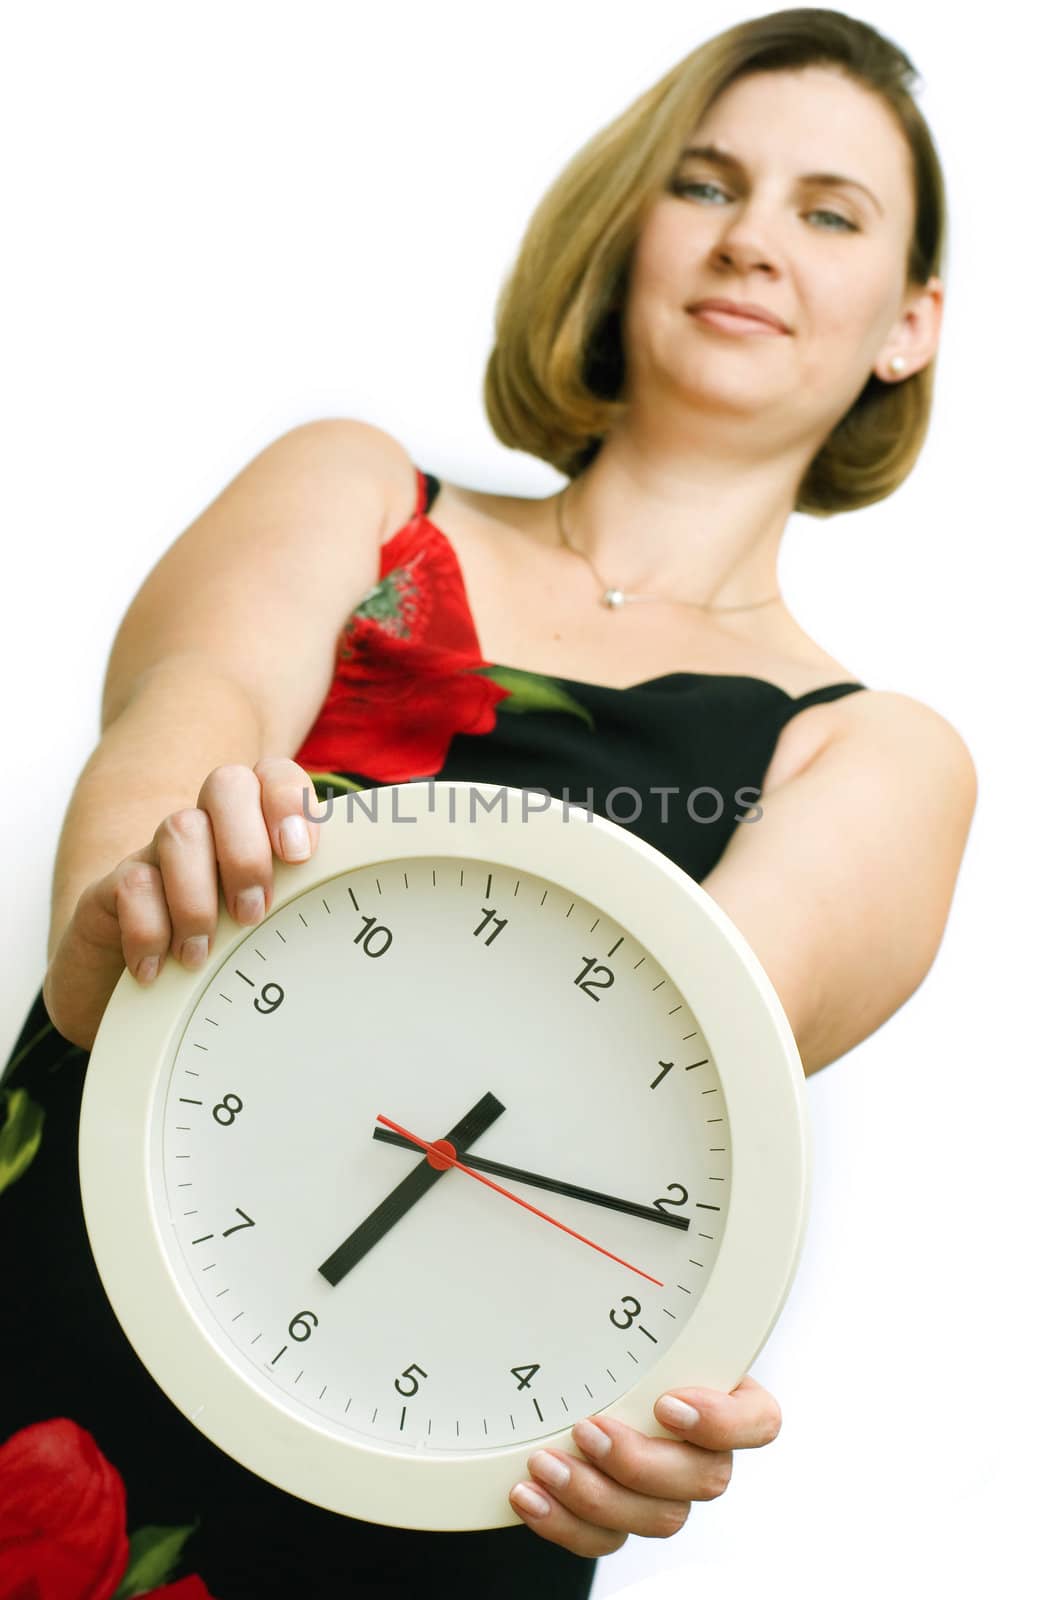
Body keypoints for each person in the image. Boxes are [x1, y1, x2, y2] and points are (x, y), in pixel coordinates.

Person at [0, 8, 977, 1597]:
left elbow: (686, 1065)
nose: (752, 243)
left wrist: (663, 1372)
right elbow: (178, 755)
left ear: (906, 324)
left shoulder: (874, 753)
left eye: (827, 212)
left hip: (428, 1429)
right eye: (704, 184)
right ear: (624, 230)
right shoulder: (350, 492)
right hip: (70, 1283)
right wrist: (127, 895)